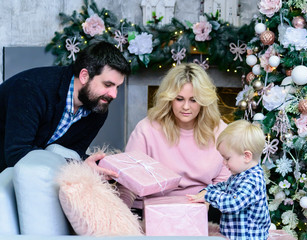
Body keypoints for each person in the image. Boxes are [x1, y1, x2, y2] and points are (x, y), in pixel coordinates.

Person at [0, 41, 130, 173]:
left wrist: (98, 165)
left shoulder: (97, 108)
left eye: (117, 87)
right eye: (108, 85)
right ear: (84, 76)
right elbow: (16, 154)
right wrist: (80, 166)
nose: (114, 95)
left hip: (29, 173)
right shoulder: (31, 89)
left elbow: (72, 154)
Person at [124, 63, 231, 221]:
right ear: (169, 99)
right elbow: (130, 179)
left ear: (203, 101)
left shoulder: (220, 130)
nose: (186, 107)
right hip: (153, 209)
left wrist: (207, 199)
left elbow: (225, 182)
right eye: (179, 99)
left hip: (204, 207)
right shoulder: (147, 128)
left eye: (193, 100)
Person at [187, 120, 271, 240]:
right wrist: (207, 190)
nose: (224, 162)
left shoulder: (253, 180)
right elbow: (224, 187)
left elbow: (233, 203)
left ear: (247, 156)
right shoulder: (240, 174)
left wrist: (209, 196)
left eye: (227, 158)